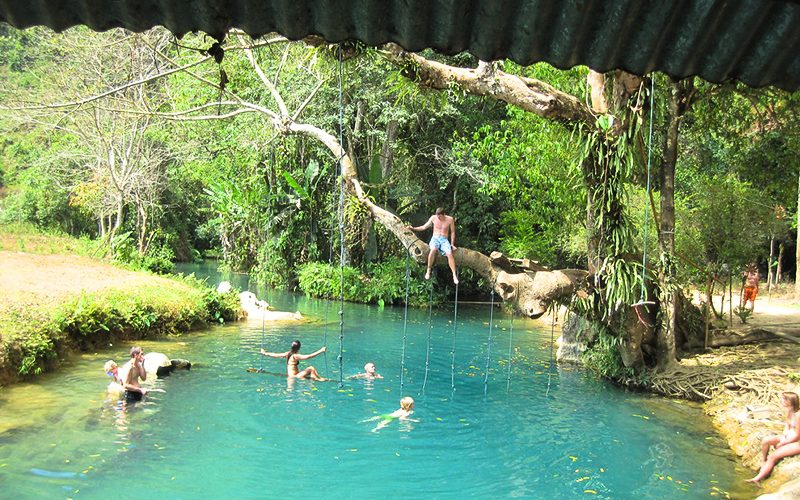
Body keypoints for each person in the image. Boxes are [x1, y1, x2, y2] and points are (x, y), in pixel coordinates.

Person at [748, 392, 800, 483]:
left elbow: (797, 435)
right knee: (766, 440)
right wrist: (783, 437)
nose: (781, 400)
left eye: (784, 399)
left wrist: (783, 443)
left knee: (773, 456)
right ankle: (763, 461)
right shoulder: (788, 412)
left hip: (797, 443)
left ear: (790, 402)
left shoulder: (798, 415)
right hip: (787, 439)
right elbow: (787, 426)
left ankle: (756, 479)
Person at [407, 207, 459, 284]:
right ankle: (428, 270)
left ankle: (454, 275)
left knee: (449, 253)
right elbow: (424, 227)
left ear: (444, 214)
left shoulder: (450, 219)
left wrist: (452, 244)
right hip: (435, 238)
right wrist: (413, 228)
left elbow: (453, 232)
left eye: (440, 216)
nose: (439, 218)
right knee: (433, 249)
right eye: (437, 216)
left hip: (444, 240)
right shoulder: (433, 218)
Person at [260, 340, 327, 380]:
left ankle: (317, 378)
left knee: (311, 369)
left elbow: (276, 355)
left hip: (292, 376)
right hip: (295, 377)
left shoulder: (288, 353)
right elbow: (308, 356)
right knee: (311, 368)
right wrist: (321, 351)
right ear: (299, 348)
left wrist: (265, 353)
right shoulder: (295, 356)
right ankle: (318, 379)